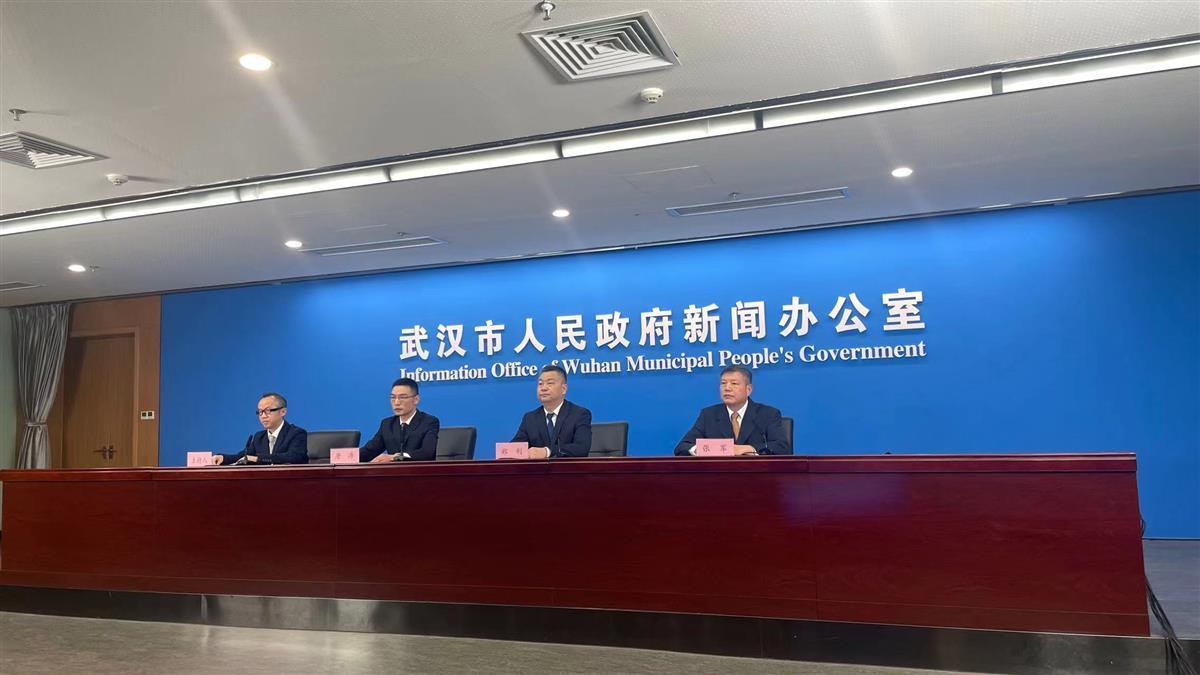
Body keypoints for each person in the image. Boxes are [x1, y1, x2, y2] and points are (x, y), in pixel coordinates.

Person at [674, 366, 790, 456]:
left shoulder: (767, 414)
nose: (727, 388)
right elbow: (682, 447)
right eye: (723, 383)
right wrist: (703, 450)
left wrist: (748, 448)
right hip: (719, 476)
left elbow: (782, 447)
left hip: (758, 476)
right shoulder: (708, 415)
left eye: (734, 383)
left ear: (748, 389)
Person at [511, 364, 591, 458]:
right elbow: (515, 448)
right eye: (540, 384)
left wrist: (547, 451)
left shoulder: (579, 414)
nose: (543, 388)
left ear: (563, 389)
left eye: (550, 383)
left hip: (568, 467)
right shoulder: (530, 418)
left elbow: (581, 448)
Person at [213, 392, 308, 465]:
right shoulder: (259, 437)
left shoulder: (297, 433)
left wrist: (258, 458)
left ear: (283, 412)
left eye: (267, 411)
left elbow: (293, 457)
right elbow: (244, 456)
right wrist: (223, 458)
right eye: (260, 412)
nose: (263, 416)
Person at [360, 377, 440, 462]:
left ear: (416, 399)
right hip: (393, 471)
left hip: (418, 470)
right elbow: (369, 451)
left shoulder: (429, 422)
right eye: (393, 397)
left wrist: (395, 457)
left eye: (402, 397)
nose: (396, 402)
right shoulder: (387, 424)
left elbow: (427, 453)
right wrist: (349, 456)